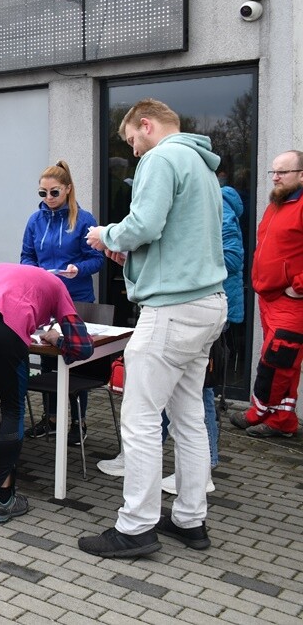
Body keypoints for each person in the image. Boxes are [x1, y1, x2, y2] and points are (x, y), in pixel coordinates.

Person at [81, 98, 226, 557]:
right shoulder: (203, 167)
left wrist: (107, 235)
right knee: (189, 418)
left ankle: (136, 526)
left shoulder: (162, 157)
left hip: (172, 309)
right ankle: (189, 518)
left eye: (131, 142)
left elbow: (143, 224)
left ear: (146, 126)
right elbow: (174, 236)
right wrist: (134, 252)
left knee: (140, 418)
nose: (135, 153)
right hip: (207, 305)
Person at [98, 179, 245, 494]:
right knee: (178, 396)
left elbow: (230, 258)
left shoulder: (215, 205)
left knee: (196, 393)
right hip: (184, 306)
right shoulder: (183, 208)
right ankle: (188, 474)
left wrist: (180, 261)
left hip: (198, 310)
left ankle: (202, 468)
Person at [0, 263, 93, 524]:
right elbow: (82, 348)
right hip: (5, 327)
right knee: (12, 409)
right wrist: (55, 339)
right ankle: (4, 498)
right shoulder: (58, 285)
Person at [21, 160, 105, 445]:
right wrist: (34, 272)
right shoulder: (35, 220)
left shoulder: (83, 219)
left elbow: (97, 258)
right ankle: (52, 419)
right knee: (47, 359)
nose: (48, 199)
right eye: (42, 193)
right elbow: (26, 256)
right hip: (46, 297)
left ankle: (78, 423)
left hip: (76, 298)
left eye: (53, 192)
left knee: (75, 361)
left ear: (68, 189)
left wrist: (77, 269)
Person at [231, 150, 303, 438]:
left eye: (283, 172)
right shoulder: (276, 204)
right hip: (268, 299)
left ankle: (259, 410)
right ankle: (283, 421)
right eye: (274, 171)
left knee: (277, 361)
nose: (275, 177)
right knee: (287, 364)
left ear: (301, 175)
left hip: (291, 302)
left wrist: (298, 286)